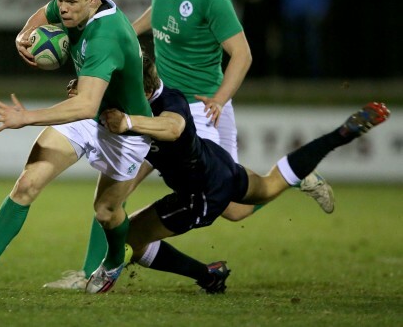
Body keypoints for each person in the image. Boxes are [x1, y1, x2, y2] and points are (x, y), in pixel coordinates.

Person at [43, 0, 331, 290]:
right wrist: (122, 36)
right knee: (116, 194)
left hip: (198, 110)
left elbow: (242, 55)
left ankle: (290, 177)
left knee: (235, 209)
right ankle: (93, 275)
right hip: (158, 102)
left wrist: (219, 98)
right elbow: (156, 15)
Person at [0, 0, 153, 295]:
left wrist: (25, 117)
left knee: (106, 212)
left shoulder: (105, 34)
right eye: (61, 0)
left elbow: (85, 103)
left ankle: (112, 261)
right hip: (88, 116)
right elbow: (43, 14)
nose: (63, 10)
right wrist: (22, 36)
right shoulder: (69, 6)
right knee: (27, 184)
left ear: (93, 0)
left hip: (125, 129)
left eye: (71, 2)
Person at [97, 55, 389, 293]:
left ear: (146, 91)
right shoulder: (137, 101)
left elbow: (172, 127)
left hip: (200, 194)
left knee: (131, 237)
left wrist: (127, 121)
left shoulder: (170, 103)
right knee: (268, 186)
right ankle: (339, 136)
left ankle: (208, 276)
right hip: (218, 165)